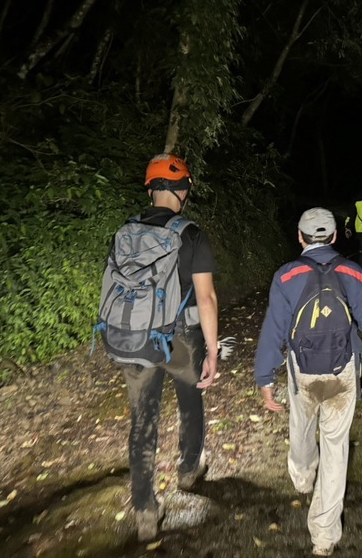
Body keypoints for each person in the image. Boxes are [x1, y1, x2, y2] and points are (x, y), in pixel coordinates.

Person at [254, 208, 362, 557]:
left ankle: (302, 475)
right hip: (342, 372)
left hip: (304, 373)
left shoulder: (286, 275)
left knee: (302, 428)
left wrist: (265, 377)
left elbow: (273, 331)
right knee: (336, 448)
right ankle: (324, 536)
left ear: (300, 237)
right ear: (336, 236)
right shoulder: (352, 271)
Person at [115, 154, 219, 542]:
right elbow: (206, 299)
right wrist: (211, 349)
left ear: (150, 190)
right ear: (183, 191)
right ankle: (189, 469)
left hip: (136, 336)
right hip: (179, 337)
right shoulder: (191, 234)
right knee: (190, 400)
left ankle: (144, 508)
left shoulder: (125, 231)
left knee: (143, 419)